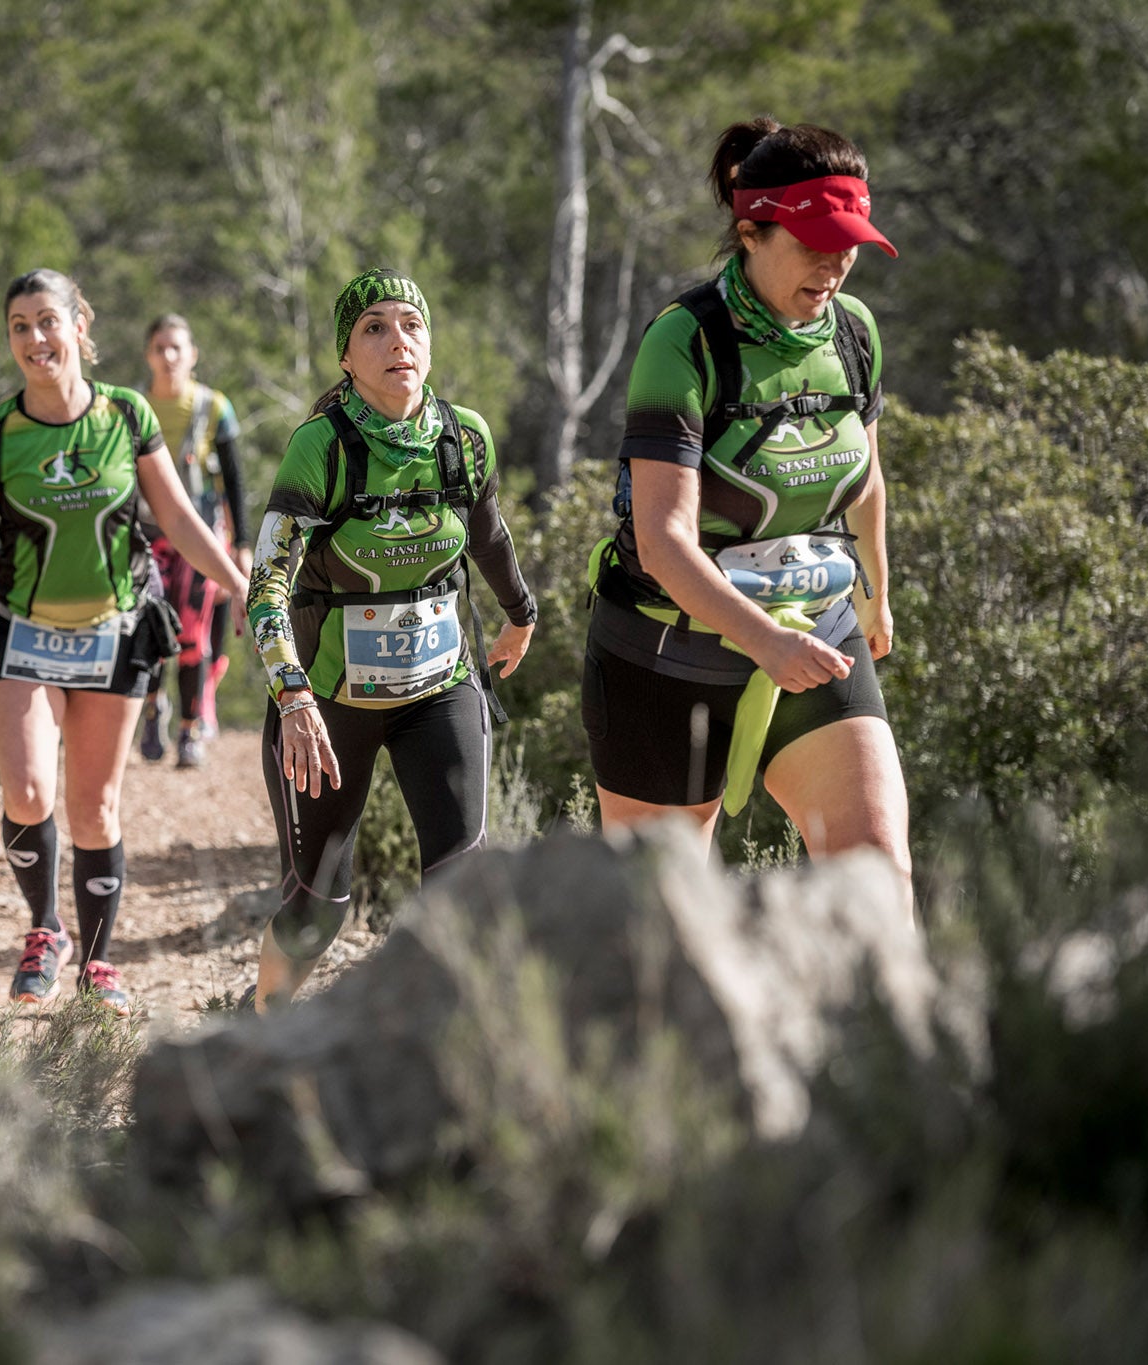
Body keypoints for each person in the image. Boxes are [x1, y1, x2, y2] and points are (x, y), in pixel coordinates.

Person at [582, 118, 912, 902]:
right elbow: (663, 540)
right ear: (751, 231)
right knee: (666, 922)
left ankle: (875, 1031)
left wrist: (876, 594)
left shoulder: (854, 334)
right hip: (666, 649)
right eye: (814, 243)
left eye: (850, 242)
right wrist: (763, 640)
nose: (835, 265)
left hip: (816, 625)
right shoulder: (685, 342)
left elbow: (866, 479)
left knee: (878, 873)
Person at [0, 268, 248, 1015]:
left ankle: (99, 962)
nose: (36, 338)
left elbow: (176, 519)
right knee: (28, 789)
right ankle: (45, 929)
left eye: (47, 320)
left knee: (94, 807)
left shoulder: (128, 416)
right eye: (19, 326)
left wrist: (238, 583)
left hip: (115, 630)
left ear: (80, 325)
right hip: (23, 631)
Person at [244, 268, 537, 1010]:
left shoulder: (463, 438)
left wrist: (521, 611)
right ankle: (264, 1040)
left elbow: (488, 533)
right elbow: (266, 587)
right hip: (327, 705)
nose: (396, 340)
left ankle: (444, 1065)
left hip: (439, 688)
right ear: (346, 355)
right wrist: (293, 694)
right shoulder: (322, 448)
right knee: (317, 912)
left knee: (461, 894)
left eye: (411, 323)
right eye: (373, 326)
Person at [136, 313, 252, 768]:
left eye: (176, 348)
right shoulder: (135, 407)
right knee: (147, 628)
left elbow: (235, 479)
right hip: (146, 536)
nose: (168, 357)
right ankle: (152, 709)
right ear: (148, 354)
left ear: (192, 355)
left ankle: (189, 730)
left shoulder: (213, 407)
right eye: (160, 347)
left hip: (200, 535)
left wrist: (241, 543)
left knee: (192, 630)